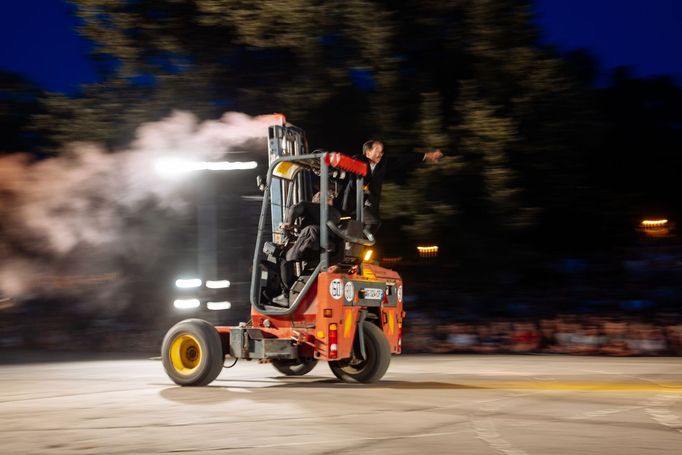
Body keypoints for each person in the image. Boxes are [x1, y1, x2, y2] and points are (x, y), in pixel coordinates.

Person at [342, 139, 443, 231]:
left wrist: (427, 156)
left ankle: (358, 244)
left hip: (369, 204)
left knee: (374, 223)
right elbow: (352, 162)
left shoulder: (382, 163)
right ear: (368, 152)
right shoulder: (359, 159)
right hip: (353, 202)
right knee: (354, 223)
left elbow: (403, 159)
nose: (380, 154)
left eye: (381, 151)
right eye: (377, 150)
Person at [272, 191, 340, 306]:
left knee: (284, 258)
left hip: (312, 239)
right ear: (330, 201)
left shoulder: (313, 206)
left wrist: (289, 223)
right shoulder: (336, 214)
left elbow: (294, 209)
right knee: (308, 265)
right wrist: (298, 228)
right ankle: (300, 291)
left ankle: (287, 295)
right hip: (328, 248)